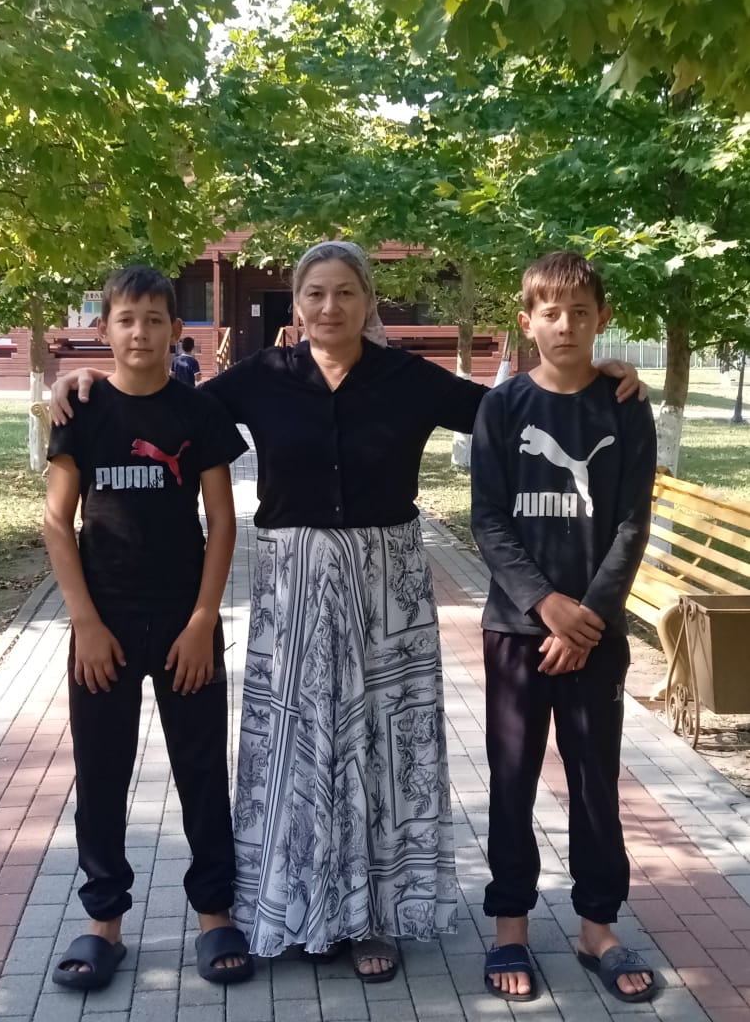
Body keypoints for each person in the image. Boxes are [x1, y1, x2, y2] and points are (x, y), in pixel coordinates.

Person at [49, 241, 642, 984]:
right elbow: (161, 398)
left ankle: (374, 916)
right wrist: (82, 380)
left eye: (346, 293)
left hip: (387, 588)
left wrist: (596, 375)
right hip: (293, 586)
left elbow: (508, 408)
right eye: (315, 294)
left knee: (381, 750)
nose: (330, 308)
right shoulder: (262, 376)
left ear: (368, 302)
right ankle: (300, 908)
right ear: (297, 305)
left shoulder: (407, 378)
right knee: (295, 748)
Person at [44, 266, 253, 990]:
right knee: (102, 773)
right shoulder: (82, 411)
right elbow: (57, 520)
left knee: (202, 770)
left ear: (175, 330)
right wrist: (83, 620)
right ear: (105, 328)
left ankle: (215, 914)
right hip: (101, 623)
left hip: (182, 622)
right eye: (126, 319)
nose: (140, 332)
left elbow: (223, 522)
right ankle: (103, 921)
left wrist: (202, 620)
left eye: (154, 320)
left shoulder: (198, 413)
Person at [470, 251, 657, 1005]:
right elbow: (488, 519)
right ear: (527, 322)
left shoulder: (625, 406)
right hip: (518, 632)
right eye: (551, 312)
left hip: (596, 637)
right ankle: (510, 925)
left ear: (602, 319)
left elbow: (632, 523)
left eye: (581, 312)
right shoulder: (504, 407)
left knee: (594, 781)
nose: (567, 324)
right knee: (512, 779)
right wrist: (546, 605)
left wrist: (589, 618)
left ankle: (597, 926)